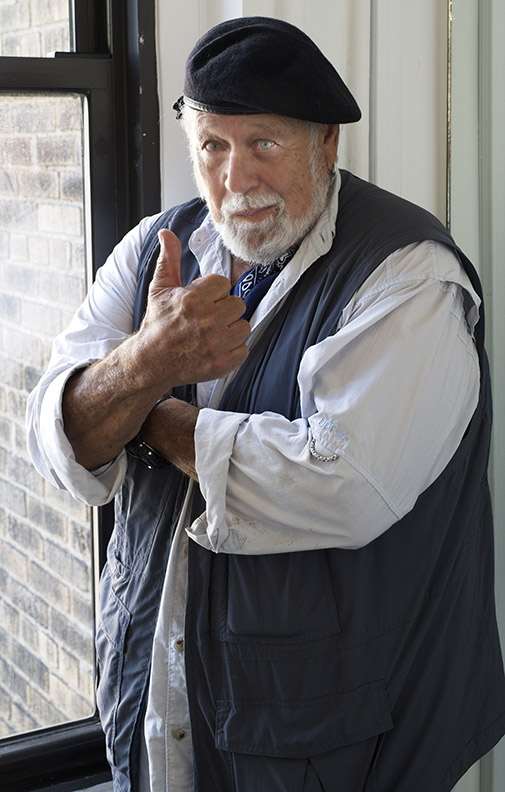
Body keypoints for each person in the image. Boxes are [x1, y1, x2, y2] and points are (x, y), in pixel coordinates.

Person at [27, 15, 505, 792]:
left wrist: (143, 405)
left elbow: (339, 486)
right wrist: (147, 361)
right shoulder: (154, 247)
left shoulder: (407, 273)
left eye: (264, 144)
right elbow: (57, 439)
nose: (236, 178)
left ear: (326, 143)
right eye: (212, 145)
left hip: (339, 739)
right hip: (154, 706)